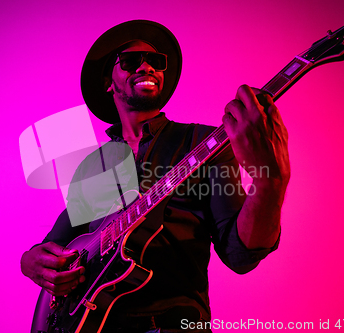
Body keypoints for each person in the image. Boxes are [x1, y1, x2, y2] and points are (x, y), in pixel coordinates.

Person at [21, 20, 290, 333]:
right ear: (110, 81)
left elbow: (240, 254)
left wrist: (270, 184)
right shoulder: (92, 168)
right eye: (132, 61)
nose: (147, 66)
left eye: (156, 62)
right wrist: (29, 261)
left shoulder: (203, 144)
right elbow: (56, 245)